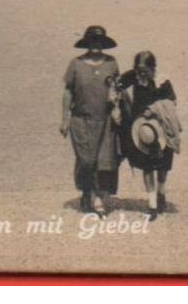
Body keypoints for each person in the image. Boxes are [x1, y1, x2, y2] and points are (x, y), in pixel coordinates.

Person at [60, 26, 121, 214]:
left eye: (99, 42)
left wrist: (117, 105)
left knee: (103, 161)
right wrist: (64, 119)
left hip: (105, 121)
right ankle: (87, 192)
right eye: (92, 41)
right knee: (86, 160)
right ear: (86, 43)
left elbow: (117, 88)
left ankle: (96, 197)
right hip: (81, 120)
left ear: (103, 44)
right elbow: (68, 92)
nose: (96, 45)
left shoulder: (111, 63)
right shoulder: (76, 64)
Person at [118, 51, 180, 218]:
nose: (141, 73)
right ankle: (152, 206)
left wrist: (153, 109)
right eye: (138, 69)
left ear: (153, 68)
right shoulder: (134, 76)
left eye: (145, 70)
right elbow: (117, 84)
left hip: (161, 128)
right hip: (143, 129)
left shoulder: (162, 81)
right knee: (147, 167)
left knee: (162, 167)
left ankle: (161, 192)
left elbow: (172, 102)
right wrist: (121, 100)